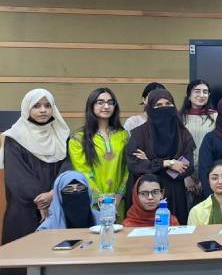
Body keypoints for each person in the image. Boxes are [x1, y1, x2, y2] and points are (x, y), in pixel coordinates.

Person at [1, 88, 70, 247]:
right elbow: (17, 176)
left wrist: (53, 194)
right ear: (27, 108)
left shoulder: (62, 136)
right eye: (36, 106)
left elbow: (68, 167)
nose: (43, 110)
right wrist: (42, 200)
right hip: (24, 208)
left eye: (47, 105)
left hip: (57, 204)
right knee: (23, 253)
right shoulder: (14, 137)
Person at [125, 88, 195, 224]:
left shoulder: (183, 134)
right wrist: (167, 163)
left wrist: (150, 163)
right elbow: (134, 165)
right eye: (159, 105)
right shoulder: (139, 134)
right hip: (146, 194)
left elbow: (186, 166)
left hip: (174, 194)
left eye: (168, 104)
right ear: (150, 108)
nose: (164, 108)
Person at [68, 87, 129, 218]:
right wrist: (104, 201)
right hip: (93, 202)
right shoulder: (78, 138)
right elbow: (83, 172)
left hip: (120, 201)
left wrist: (119, 196)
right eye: (100, 102)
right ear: (91, 105)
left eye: (110, 102)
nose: (106, 106)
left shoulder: (123, 135)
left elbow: (127, 169)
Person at [179, 79, 217, 201]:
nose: (201, 95)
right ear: (188, 95)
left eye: (205, 92)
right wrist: (185, 176)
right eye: (197, 91)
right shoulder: (178, 118)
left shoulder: (216, 117)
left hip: (209, 172)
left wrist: (205, 178)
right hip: (183, 173)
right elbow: (175, 149)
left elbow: (217, 149)